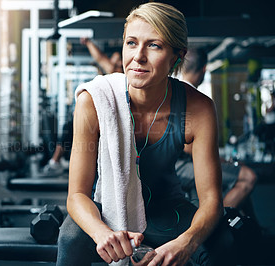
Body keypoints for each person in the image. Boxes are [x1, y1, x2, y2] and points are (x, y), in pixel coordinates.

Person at [57, 3, 234, 266]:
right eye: (131, 43)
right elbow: (77, 195)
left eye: (154, 46)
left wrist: (186, 243)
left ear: (177, 56)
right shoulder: (95, 101)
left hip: (169, 211)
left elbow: (211, 201)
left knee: (225, 241)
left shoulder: (199, 108)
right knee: (71, 237)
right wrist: (102, 234)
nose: (138, 56)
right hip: (107, 209)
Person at [176, 47, 258, 213]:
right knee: (248, 177)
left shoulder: (177, 91)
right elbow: (189, 148)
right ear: (204, 69)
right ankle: (215, 225)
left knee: (234, 175)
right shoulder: (189, 97)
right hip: (179, 167)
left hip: (181, 163)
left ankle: (245, 230)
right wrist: (226, 162)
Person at [42, 38, 123, 175]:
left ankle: (56, 161)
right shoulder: (112, 75)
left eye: (116, 59)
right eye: (113, 59)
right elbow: (101, 59)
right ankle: (56, 161)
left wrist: (89, 43)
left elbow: (101, 58)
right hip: (105, 116)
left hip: (114, 119)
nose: (113, 61)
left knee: (71, 126)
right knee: (70, 126)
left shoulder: (120, 74)